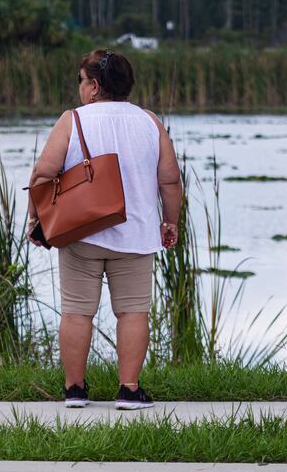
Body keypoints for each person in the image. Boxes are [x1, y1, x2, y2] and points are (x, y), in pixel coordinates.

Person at [27, 49, 182, 410]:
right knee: (132, 312)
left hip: (82, 232)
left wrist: (37, 219)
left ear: (94, 86)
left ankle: (75, 390)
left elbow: (43, 174)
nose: (80, 88)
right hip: (137, 234)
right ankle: (129, 390)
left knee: (77, 311)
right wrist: (169, 221)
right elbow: (170, 179)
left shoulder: (73, 120)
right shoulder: (150, 122)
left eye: (81, 81)